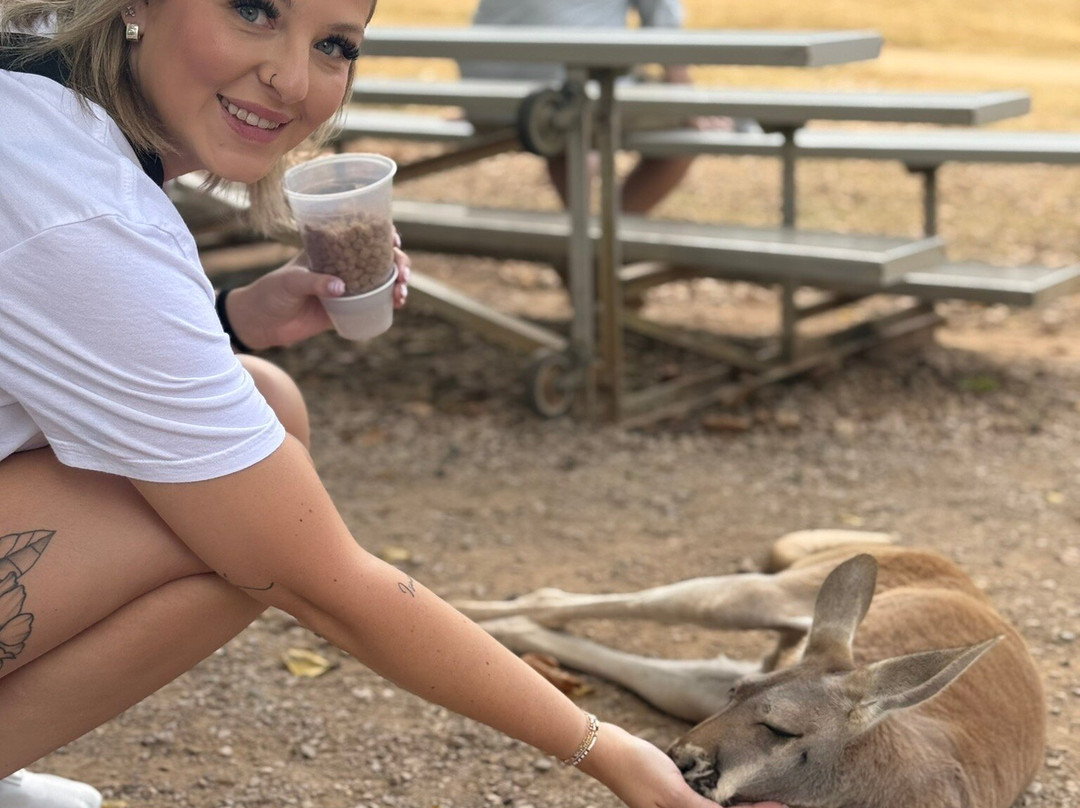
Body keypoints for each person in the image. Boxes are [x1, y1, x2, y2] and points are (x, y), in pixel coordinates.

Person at [0, 3, 782, 808]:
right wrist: (605, 750)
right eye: (254, 9)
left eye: (334, 45)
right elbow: (319, 579)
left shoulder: (36, 81)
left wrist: (231, 317)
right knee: (250, 530)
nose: (294, 80)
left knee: (264, 405)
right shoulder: (79, 208)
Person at [457, 0, 760, 217]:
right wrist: (690, 104)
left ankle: (586, 251)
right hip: (553, 105)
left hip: (487, 101)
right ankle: (598, 253)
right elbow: (664, 27)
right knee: (684, 128)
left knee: (571, 127)